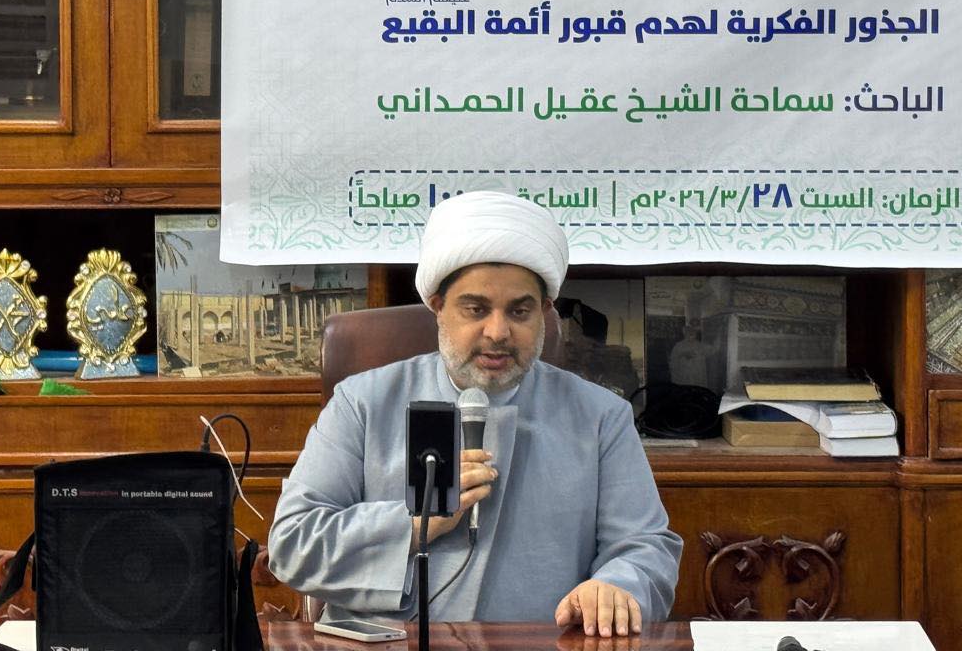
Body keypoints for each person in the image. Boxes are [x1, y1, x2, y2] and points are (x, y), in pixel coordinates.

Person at [268, 190, 682, 636]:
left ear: (545, 313)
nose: (498, 332)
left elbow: (645, 549)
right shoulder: (363, 402)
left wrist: (616, 586)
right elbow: (293, 544)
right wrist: (414, 524)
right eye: (476, 309)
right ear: (437, 306)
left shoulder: (600, 417)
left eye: (519, 311)